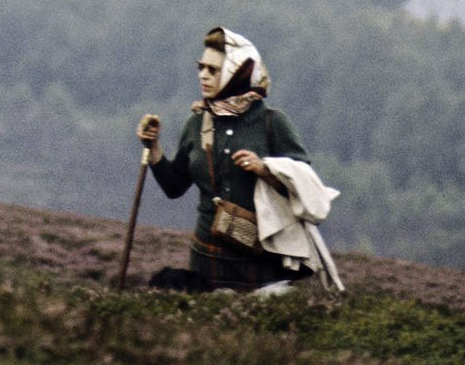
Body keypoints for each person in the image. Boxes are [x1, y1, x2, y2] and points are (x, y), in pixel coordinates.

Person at [137, 26, 340, 291]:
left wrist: (265, 169)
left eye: (213, 70)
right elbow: (174, 187)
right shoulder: (196, 122)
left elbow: (305, 186)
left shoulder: (271, 123)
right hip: (206, 262)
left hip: (263, 263)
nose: (203, 75)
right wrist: (153, 148)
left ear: (237, 71)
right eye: (201, 67)